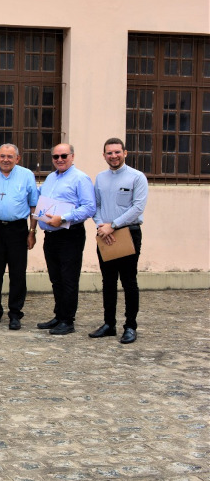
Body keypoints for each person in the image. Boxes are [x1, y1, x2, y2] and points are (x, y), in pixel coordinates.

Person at [0, 144, 40, 330]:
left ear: (17, 159)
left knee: (17, 273)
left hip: (18, 229)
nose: (6, 159)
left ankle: (15, 313)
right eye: (2, 156)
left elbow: (33, 206)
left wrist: (32, 232)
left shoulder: (27, 175)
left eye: (10, 157)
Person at [36, 143, 96, 336]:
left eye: (63, 156)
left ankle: (68, 321)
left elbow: (89, 208)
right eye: (56, 157)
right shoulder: (51, 178)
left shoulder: (80, 178)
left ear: (72, 156)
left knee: (69, 279)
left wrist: (62, 218)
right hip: (51, 235)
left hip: (70, 234)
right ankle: (59, 315)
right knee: (56, 279)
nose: (59, 160)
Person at [91, 138, 147, 344]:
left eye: (117, 152)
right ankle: (109, 324)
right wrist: (101, 226)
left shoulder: (136, 177)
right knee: (108, 281)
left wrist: (112, 225)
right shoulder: (101, 177)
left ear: (125, 153)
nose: (113, 156)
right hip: (104, 234)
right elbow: (95, 206)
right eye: (109, 153)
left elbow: (137, 208)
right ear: (104, 155)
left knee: (129, 281)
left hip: (127, 233)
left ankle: (130, 326)